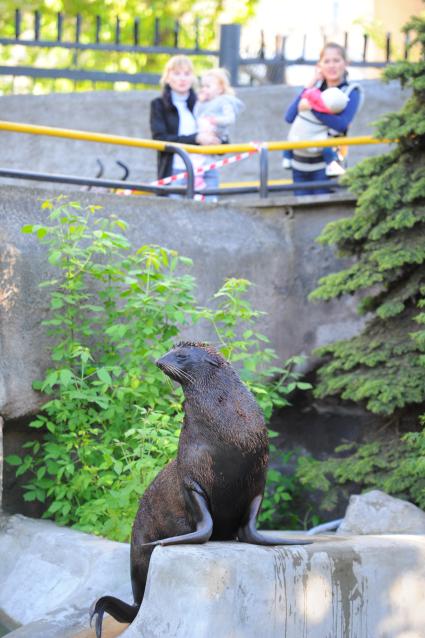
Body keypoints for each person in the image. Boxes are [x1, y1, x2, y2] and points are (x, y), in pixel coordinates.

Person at [284, 43, 362, 195]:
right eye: (327, 61)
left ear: (345, 63)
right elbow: (289, 116)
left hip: (328, 163)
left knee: (323, 207)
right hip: (300, 162)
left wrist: (313, 107)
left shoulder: (351, 91)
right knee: (301, 208)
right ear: (319, 65)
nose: (332, 65)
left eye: (336, 60)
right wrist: (310, 84)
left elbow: (341, 124)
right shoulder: (313, 90)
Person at [149, 55, 219, 195]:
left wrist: (216, 141)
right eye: (177, 73)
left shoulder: (205, 103)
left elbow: (222, 143)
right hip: (176, 172)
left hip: (206, 172)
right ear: (167, 77)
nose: (182, 78)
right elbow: (160, 139)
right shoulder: (158, 105)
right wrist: (196, 139)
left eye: (187, 74)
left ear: (193, 77)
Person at [192, 68, 244, 192]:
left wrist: (215, 120)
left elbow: (230, 119)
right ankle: (197, 177)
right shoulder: (204, 102)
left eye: (208, 86)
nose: (204, 89)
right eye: (202, 86)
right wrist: (199, 102)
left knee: (204, 159)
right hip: (203, 134)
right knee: (196, 156)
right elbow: (196, 115)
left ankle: (198, 177)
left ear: (220, 89)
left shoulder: (225, 101)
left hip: (218, 134)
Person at [283, 86, 349, 177]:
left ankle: (287, 157)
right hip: (299, 160)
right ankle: (331, 163)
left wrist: (312, 108)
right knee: (326, 145)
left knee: (292, 139)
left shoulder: (311, 99)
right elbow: (289, 117)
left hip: (318, 164)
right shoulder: (311, 96)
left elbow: (340, 126)